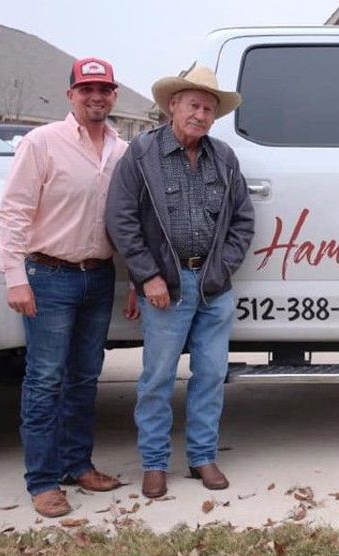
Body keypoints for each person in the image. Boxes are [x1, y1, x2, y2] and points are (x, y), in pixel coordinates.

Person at [0, 57, 135, 518]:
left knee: (84, 378)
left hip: (98, 276)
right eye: (86, 89)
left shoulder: (121, 149)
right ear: (71, 94)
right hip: (49, 275)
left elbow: (129, 220)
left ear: (114, 95)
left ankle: (79, 465)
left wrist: (133, 279)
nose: (96, 97)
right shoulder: (42, 142)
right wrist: (14, 276)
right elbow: (13, 211)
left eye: (104, 89)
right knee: (44, 380)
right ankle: (42, 480)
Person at [106, 66, 254, 499]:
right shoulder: (141, 153)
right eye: (193, 104)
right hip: (164, 289)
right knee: (157, 378)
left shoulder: (223, 157)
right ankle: (153, 464)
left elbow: (243, 220)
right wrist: (148, 276)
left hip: (214, 287)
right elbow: (121, 219)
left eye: (209, 108)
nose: (201, 114)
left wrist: (221, 268)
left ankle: (202, 458)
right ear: (173, 106)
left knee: (210, 375)